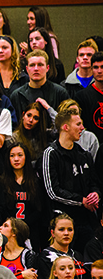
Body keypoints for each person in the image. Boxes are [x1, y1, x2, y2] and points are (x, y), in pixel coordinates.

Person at [40, 107, 100, 253]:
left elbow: (94, 182)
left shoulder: (83, 154)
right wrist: (81, 201)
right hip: (62, 221)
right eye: (78, 124)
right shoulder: (51, 154)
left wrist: (95, 194)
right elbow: (53, 191)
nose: (82, 128)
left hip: (86, 221)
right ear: (66, 127)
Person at [3, 142, 48, 250]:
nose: (16, 159)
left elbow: (40, 209)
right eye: (12, 156)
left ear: (26, 157)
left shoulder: (35, 181)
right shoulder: (3, 181)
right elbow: (2, 208)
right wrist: (14, 226)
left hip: (32, 231)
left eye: (20, 155)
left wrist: (24, 225)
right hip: (10, 231)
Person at [36, 214, 87, 279]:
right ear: (52, 233)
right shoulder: (45, 257)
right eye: (61, 229)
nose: (66, 233)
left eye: (70, 229)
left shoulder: (77, 255)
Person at [76, 51, 103, 143]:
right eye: (95, 67)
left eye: (102, 67)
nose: (99, 71)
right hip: (92, 148)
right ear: (91, 69)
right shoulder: (81, 97)